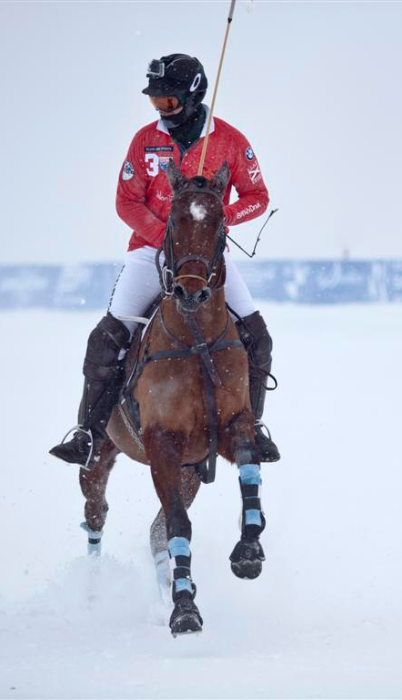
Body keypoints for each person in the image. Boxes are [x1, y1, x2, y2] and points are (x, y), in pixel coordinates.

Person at [49, 53, 280, 467]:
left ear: (192, 97)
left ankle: (254, 426)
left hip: (206, 260)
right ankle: (89, 433)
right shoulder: (144, 141)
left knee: (257, 335)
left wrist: (217, 221)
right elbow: (126, 201)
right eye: (155, 101)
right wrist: (166, 238)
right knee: (107, 337)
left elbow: (257, 197)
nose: (161, 109)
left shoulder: (229, 140)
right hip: (148, 254)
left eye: (168, 101)